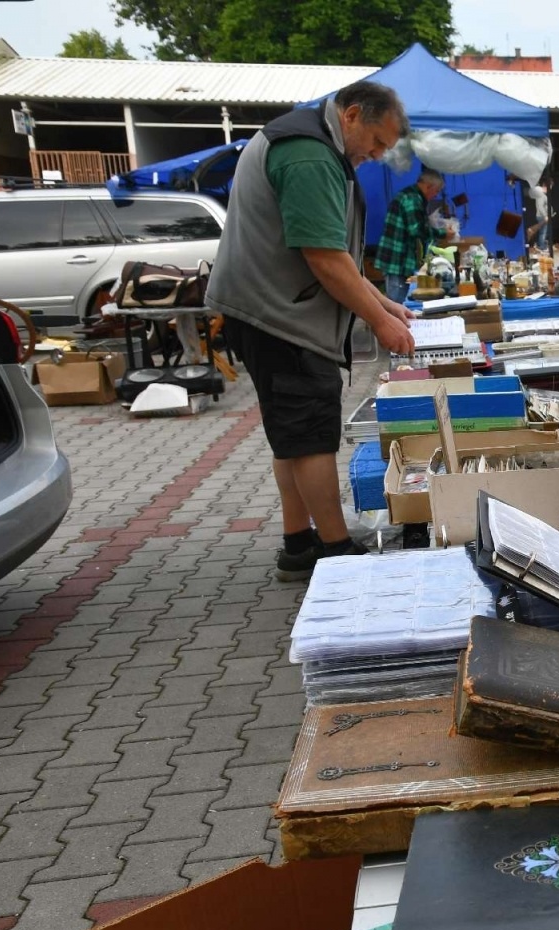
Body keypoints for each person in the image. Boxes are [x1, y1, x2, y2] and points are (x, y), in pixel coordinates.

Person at [207, 81, 415, 582]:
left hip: (269, 314)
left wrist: (384, 303)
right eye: (377, 142)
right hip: (282, 319)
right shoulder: (309, 155)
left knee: (292, 438)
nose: (377, 155)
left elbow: (336, 255)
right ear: (351, 115)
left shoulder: (312, 143)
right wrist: (380, 321)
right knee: (313, 438)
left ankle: (299, 543)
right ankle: (336, 550)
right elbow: (324, 258)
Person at [373, 166, 443, 304]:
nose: (436, 195)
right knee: (396, 303)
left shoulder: (411, 196)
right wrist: (443, 233)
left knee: (398, 301)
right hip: (397, 259)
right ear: (429, 186)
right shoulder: (412, 199)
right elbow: (417, 230)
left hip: (399, 259)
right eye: (437, 191)